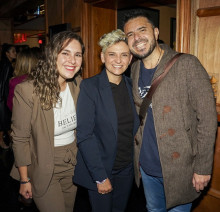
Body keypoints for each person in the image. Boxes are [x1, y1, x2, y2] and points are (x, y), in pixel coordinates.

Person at [122, 9, 217, 211]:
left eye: (141, 30)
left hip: (180, 169)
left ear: (156, 32)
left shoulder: (187, 64)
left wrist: (202, 167)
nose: (136, 37)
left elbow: (208, 120)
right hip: (147, 168)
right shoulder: (135, 68)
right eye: (130, 34)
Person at [10, 31, 84, 212]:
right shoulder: (28, 90)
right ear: (52, 55)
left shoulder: (79, 85)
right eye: (65, 53)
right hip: (43, 165)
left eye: (78, 55)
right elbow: (20, 138)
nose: (72, 60)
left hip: (73, 164)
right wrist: (24, 179)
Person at [73, 29, 139, 212]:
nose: (118, 60)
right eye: (112, 54)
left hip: (126, 169)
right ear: (103, 57)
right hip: (101, 170)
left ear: (130, 59)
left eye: (124, 55)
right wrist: (100, 177)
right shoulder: (90, 87)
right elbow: (85, 135)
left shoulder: (132, 86)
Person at [0, 43, 17, 149]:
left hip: (3, 97)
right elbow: (3, 84)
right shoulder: (7, 65)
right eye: (13, 51)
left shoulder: (6, 64)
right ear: (7, 53)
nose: (15, 53)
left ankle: (10, 141)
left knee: (5, 121)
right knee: (4, 121)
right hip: (3, 97)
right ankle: (3, 141)